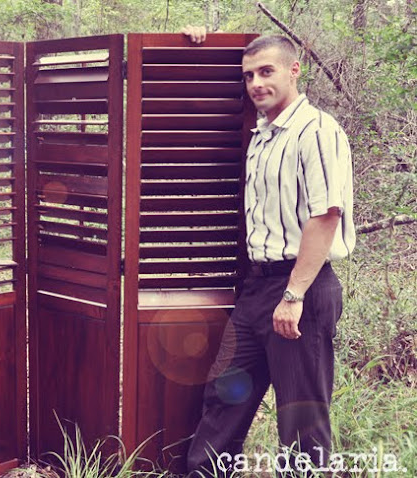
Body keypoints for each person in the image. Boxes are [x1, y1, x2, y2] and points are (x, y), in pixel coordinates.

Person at [182, 31, 356, 476]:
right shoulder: (261, 135)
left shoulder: (316, 131)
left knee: (300, 417)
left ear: (294, 70)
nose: (256, 83)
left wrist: (293, 296)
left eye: (266, 71)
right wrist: (196, 39)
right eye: (248, 76)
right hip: (257, 288)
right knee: (224, 396)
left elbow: (325, 216)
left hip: (301, 289)